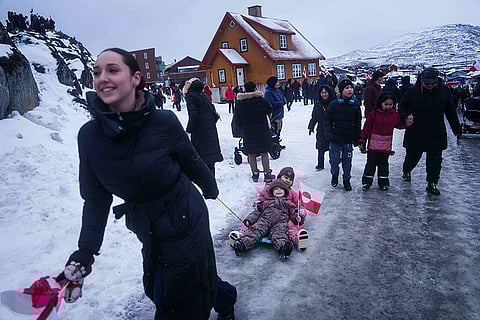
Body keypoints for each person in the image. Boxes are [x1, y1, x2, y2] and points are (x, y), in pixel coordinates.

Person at [58, 48, 236, 320]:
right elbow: (95, 200)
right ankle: (224, 298)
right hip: (147, 225)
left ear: (135, 78)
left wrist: (210, 187)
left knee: (176, 298)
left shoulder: (162, 121)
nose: (102, 78)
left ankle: (211, 300)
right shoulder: (89, 137)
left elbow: (191, 160)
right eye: (96, 73)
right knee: (163, 285)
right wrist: (84, 253)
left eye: (113, 70)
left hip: (185, 216)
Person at [398, 67, 462, 195]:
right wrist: (406, 116)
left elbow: (450, 110)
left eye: (433, 83)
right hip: (416, 129)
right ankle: (407, 170)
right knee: (413, 156)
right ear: (421, 80)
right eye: (427, 83)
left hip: (436, 129)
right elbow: (402, 106)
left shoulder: (444, 91)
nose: (430, 86)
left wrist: (456, 129)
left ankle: (432, 183)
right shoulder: (413, 91)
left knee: (435, 159)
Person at [358, 92, 413, 191]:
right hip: (373, 146)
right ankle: (367, 181)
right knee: (371, 164)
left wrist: (407, 124)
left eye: (390, 105)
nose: (388, 107)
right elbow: (366, 128)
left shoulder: (394, 115)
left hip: (385, 146)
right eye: (386, 104)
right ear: (380, 103)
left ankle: (383, 182)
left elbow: (399, 125)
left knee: (383, 165)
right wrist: (362, 139)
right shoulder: (374, 114)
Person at [232, 179, 297, 259]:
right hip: (264, 220)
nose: (278, 190)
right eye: (276, 189)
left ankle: (284, 248)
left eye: (281, 189)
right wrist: (249, 220)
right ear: (272, 192)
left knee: (279, 235)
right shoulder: (266, 202)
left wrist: (297, 217)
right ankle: (242, 244)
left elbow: (294, 212)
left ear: (285, 191)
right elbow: (257, 212)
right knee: (255, 231)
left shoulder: (288, 203)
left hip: (280, 223)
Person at [323, 79, 362, 191]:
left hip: (348, 139)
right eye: (347, 88)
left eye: (351, 87)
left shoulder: (355, 105)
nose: (350, 90)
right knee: (334, 161)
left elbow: (358, 122)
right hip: (335, 139)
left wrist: (357, 138)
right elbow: (326, 120)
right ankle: (335, 174)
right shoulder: (334, 104)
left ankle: (346, 179)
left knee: (347, 162)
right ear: (341, 90)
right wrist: (328, 134)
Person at [233, 81, 274, 183]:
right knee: (264, 152)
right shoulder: (261, 100)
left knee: (251, 153)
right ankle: (267, 174)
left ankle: (255, 174)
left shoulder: (239, 103)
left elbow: (237, 119)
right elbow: (270, 111)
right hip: (262, 130)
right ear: (255, 88)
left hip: (248, 131)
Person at [184, 77, 224, 177]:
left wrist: (189, 129)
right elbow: (213, 111)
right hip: (210, 129)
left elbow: (193, 115)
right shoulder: (204, 95)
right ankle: (212, 179)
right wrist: (210, 123)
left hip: (199, 131)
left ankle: (207, 182)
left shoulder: (190, 96)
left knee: (202, 157)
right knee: (210, 157)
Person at [308, 84, 336, 170]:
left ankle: (334, 163)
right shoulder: (318, 104)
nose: (324, 94)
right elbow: (314, 116)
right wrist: (311, 126)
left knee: (333, 148)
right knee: (321, 147)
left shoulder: (334, 103)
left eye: (326, 92)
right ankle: (320, 164)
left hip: (332, 129)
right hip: (321, 129)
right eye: (322, 92)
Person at [264, 76, 287, 148]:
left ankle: (277, 143)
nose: (278, 83)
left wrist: (283, 101)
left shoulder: (277, 90)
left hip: (280, 114)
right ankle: (274, 145)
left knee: (279, 129)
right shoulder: (268, 93)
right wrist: (282, 102)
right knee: (275, 130)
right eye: (277, 82)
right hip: (274, 115)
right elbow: (271, 104)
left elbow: (283, 97)